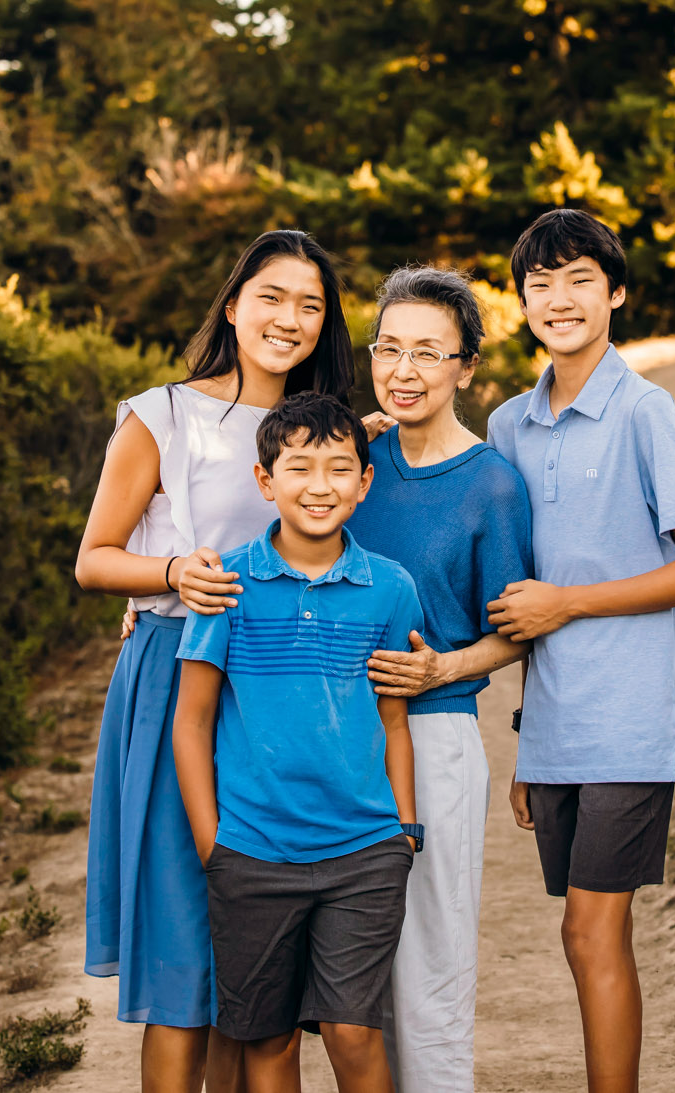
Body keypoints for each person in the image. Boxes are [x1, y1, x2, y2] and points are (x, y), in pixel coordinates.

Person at [75, 231, 357, 1093]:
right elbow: (94, 557)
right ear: (233, 304)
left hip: (282, 685)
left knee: (259, 948)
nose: (290, 319)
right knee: (183, 947)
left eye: (311, 305)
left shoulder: (329, 426)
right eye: (272, 296)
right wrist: (170, 574)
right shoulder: (161, 414)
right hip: (176, 681)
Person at [485, 209, 675, 1093]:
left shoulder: (644, 409)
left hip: (631, 715)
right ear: (520, 302)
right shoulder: (507, 424)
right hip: (558, 724)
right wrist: (525, 740)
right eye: (540, 283)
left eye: (579, 278)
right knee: (576, 931)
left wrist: (572, 601)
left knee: (593, 931)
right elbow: (519, 600)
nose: (560, 298)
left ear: (617, 292)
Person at [173, 393, 424, 1093]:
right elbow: (191, 720)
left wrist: (402, 832)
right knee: (270, 1041)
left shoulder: (390, 588)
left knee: (352, 1031)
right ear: (265, 480)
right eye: (300, 468)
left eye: (340, 468)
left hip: (364, 853)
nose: (321, 486)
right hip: (252, 853)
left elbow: (394, 718)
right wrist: (211, 840)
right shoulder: (227, 583)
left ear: (365, 481)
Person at [345, 266, 533, 1093]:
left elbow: (515, 630)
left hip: (436, 739)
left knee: (430, 967)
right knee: (353, 982)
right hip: (338, 739)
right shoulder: (351, 464)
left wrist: (441, 667)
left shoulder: (491, 483)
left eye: (429, 352)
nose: (405, 369)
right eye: (390, 348)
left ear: (466, 366)